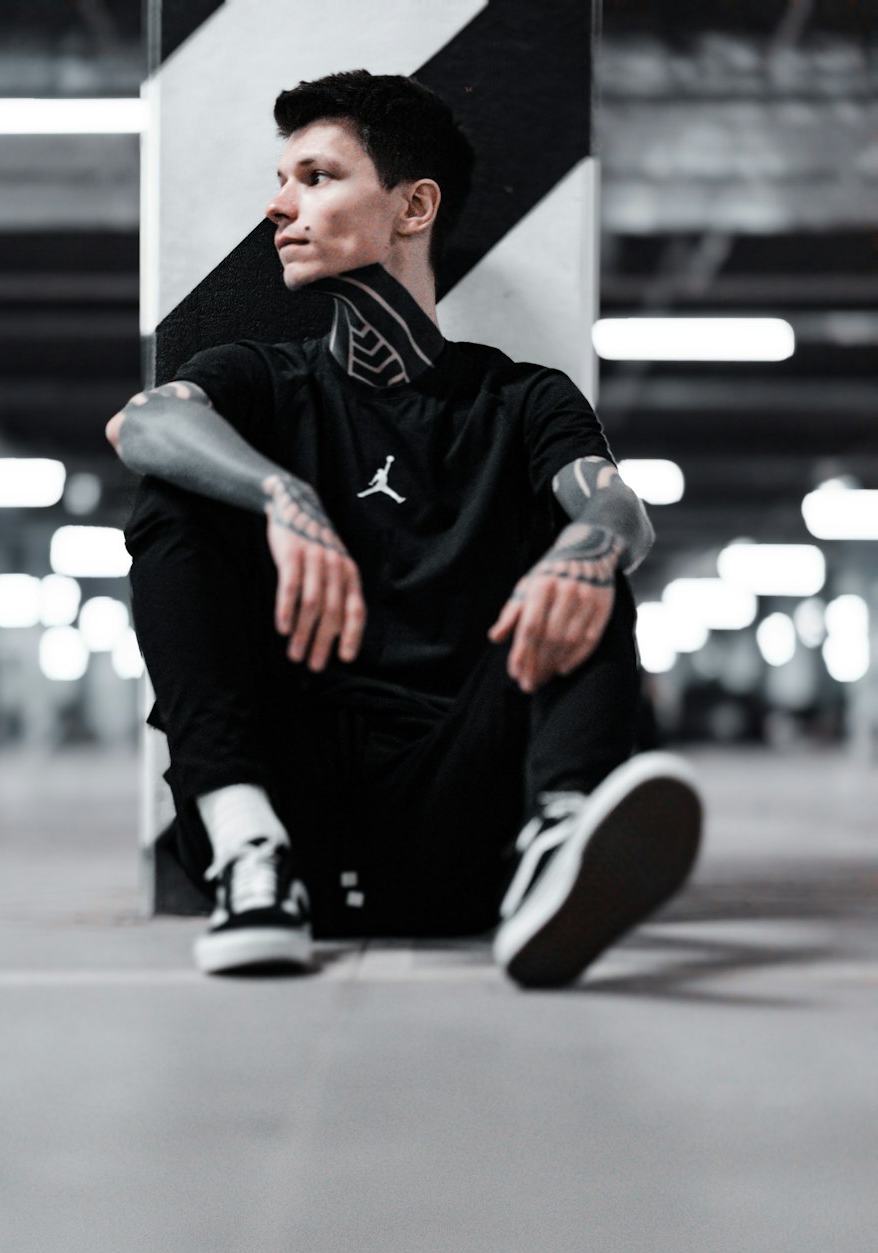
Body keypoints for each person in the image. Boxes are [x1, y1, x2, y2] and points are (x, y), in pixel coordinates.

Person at [108, 69, 702, 985]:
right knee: (175, 490)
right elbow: (141, 424)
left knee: (591, 552)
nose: (280, 207)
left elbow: (619, 504)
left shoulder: (521, 399)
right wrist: (282, 495)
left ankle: (556, 841)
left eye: (316, 177)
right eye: (281, 181)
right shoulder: (259, 381)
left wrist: (587, 548)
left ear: (413, 205)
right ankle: (248, 853)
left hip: (460, 810)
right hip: (290, 794)